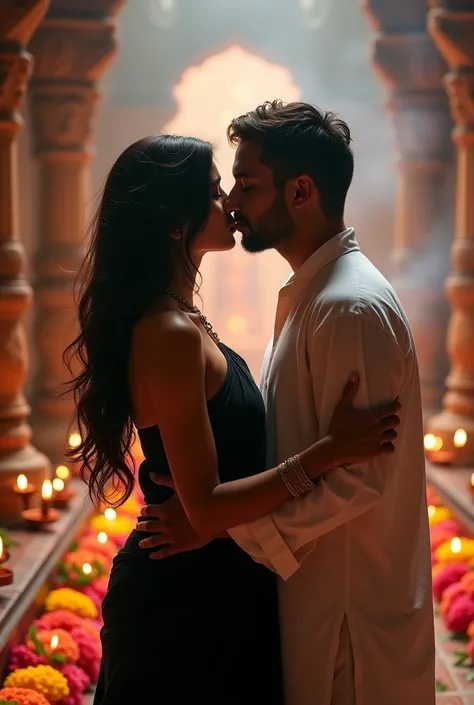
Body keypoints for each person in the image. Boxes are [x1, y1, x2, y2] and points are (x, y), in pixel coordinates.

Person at [64, 134, 399, 704]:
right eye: (217, 193)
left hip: (217, 582)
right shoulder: (167, 333)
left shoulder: (185, 320)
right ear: (176, 223)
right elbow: (205, 508)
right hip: (180, 600)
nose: (232, 207)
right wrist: (329, 451)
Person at [138, 103, 435, 705]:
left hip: (350, 613)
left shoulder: (348, 308)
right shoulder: (314, 294)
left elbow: (359, 482)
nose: (233, 205)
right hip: (315, 594)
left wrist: (218, 528)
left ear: (301, 191)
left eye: (247, 186)